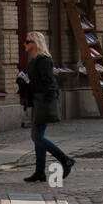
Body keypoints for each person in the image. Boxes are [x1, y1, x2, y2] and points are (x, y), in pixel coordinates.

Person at [21, 32, 74, 183]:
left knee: (37, 137)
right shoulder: (34, 60)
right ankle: (40, 172)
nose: (24, 44)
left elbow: (47, 83)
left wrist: (29, 84)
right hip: (37, 101)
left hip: (43, 101)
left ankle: (65, 160)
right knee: (37, 137)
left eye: (27, 41)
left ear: (35, 43)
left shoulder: (43, 61)